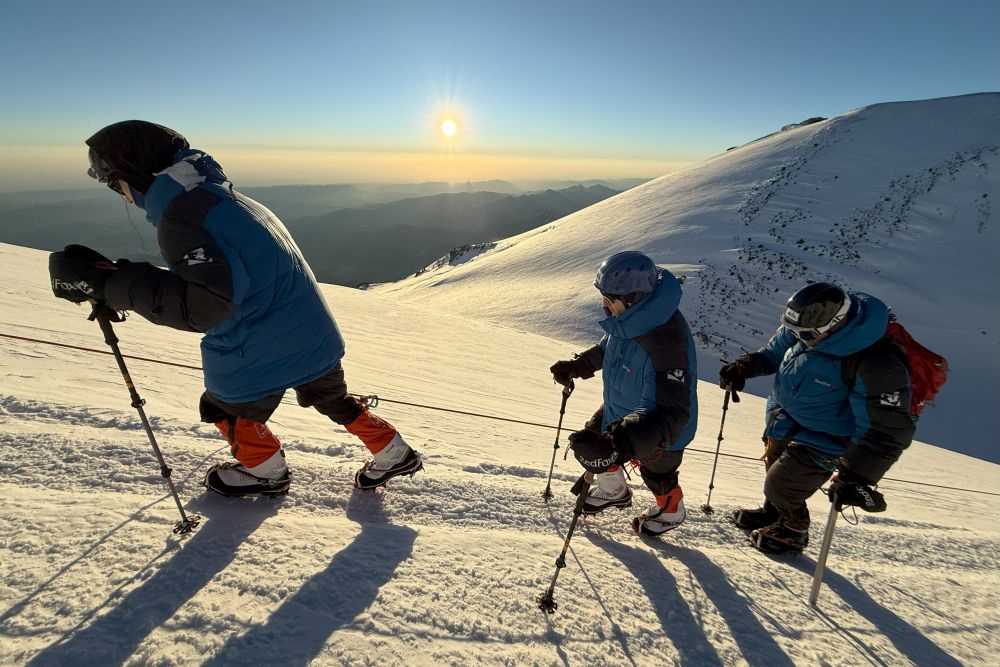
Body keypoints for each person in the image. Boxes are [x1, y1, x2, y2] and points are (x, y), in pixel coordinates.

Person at [48, 120, 421, 497]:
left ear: (132, 173)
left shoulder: (183, 215)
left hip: (261, 340)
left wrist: (113, 286)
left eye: (115, 183)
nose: (121, 194)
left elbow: (205, 303)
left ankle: (264, 470)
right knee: (332, 397)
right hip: (310, 332)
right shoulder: (222, 197)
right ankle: (394, 451)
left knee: (224, 406)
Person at [720, 282, 915, 554]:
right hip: (787, 420)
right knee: (775, 469)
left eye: (806, 333)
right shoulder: (807, 329)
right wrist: (744, 367)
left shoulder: (877, 363)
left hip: (829, 438)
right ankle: (776, 513)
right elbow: (774, 354)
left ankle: (793, 531)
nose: (799, 337)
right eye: (794, 331)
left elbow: (887, 429)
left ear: (835, 325)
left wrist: (856, 474)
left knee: (782, 483)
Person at [549, 251, 698, 536]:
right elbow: (609, 348)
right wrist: (579, 365)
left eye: (609, 299)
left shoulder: (667, 339)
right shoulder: (632, 319)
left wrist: (620, 443)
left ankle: (671, 510)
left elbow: (672, 412)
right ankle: (614, 491)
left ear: (631, 298)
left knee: (657, 475)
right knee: (592, 443)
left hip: (660, 431)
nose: (604, 305)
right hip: (620, 407)